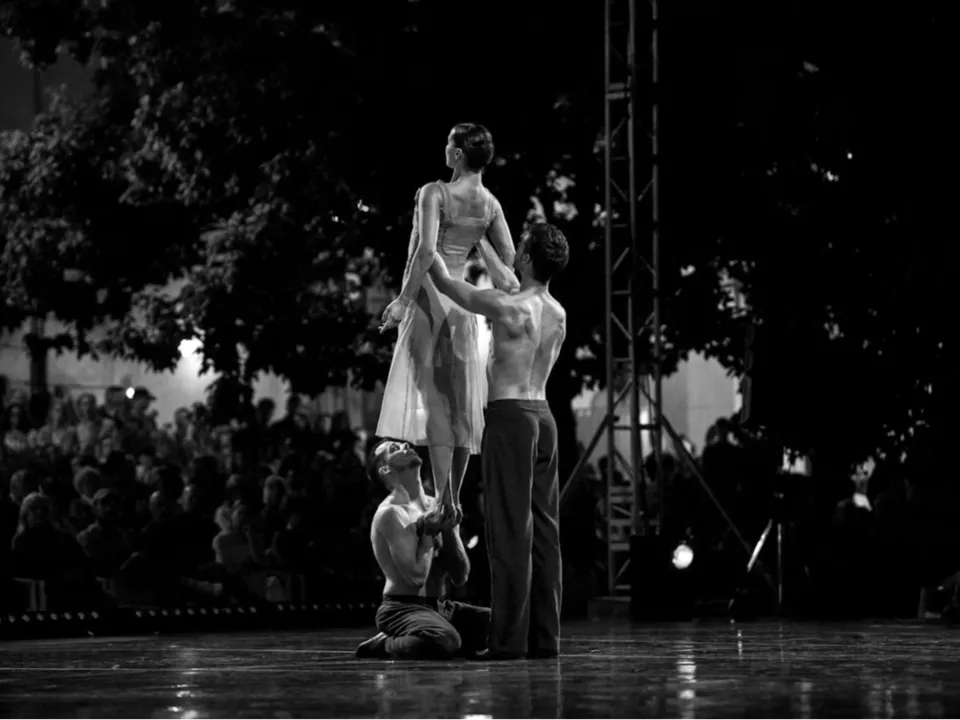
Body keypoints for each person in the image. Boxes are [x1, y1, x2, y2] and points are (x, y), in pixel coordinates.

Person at [428, 222, 569, 659]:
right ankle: (544, 639)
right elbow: (509, 278)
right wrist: (480, 239)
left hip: (510, 418)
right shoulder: (558, 313)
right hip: (544, 418)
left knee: (510, 532)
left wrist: (426, 244)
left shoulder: (506, 306)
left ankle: (507, 643)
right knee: (545, 533)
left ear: (524, 258)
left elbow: (448, 285)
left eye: (519, 248)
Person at [378, 123, 519, 523]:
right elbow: (509, 256)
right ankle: (451, 497)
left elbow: (424, 251)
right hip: (460, 305)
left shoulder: (434, 192)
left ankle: (444, 500)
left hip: (428, 299)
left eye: (448, 143)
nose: (444, 148)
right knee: (459, 405)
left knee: (435, 403)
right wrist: (477, 241)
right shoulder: (490, 203)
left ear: (457, 154)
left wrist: (403, 301)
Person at [355, 439, 489, 660]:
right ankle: (384, 644)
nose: (405, 447)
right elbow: (415, 578)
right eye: (394, 449)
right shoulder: (391, 513)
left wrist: (448, 530)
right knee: (444, 640)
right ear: (385, 469)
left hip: (440, 607)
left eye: (403, 445)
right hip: (403, 608)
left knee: (507, 627)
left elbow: (460, 576)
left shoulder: (436, 505)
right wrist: (428, 533)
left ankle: (438, 636)